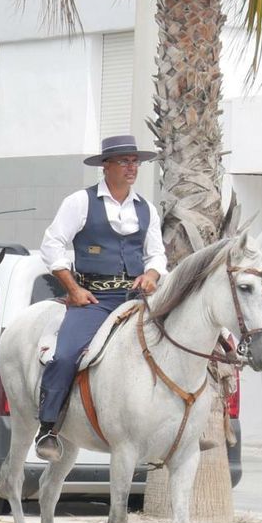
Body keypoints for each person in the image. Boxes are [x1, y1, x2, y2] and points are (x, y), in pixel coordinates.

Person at [34, 135, 167, 461]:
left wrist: (151, 276)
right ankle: (49, 426)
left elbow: (157, 255)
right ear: (106, 166)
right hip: (94, 300)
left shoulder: (146, 209)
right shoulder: (80, 202)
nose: (132, 167)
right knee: (65, 355)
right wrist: (73, 289)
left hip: (136, 300)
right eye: (124, 161)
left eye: (135, 161)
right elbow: (52, 245)